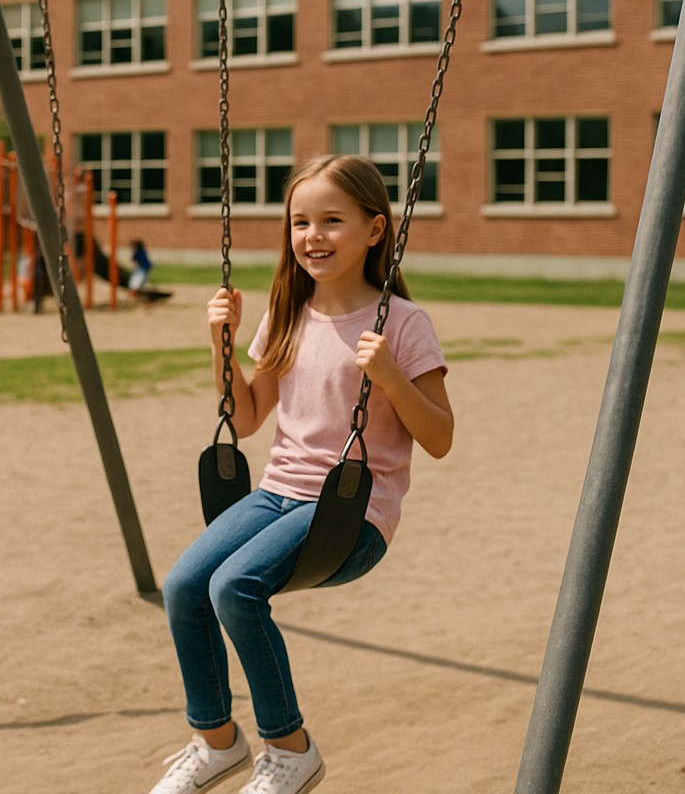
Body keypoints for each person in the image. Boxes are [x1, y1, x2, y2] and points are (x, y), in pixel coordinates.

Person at [149, 154, 453, 794]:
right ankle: (216, 742)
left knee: (235, 587)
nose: (312, 235)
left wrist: (391, 376)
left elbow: (441, 437)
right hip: (276, 496)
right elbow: (251, 414)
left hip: (350, 512)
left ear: (374, 230)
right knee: (183, 586)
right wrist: (221, 344)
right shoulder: (289, 312)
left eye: (332, 220)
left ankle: (291, 751)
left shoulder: (402, 323)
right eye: (300, 222)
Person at [128, 238, 152, 304]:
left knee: (134, 285)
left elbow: (133, 261)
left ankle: (134, 297)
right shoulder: (143, 251)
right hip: (145, 270)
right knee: (138, 286)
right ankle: (138, 297)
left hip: (140, 271)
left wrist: (132, 268)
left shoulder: (137, 252)